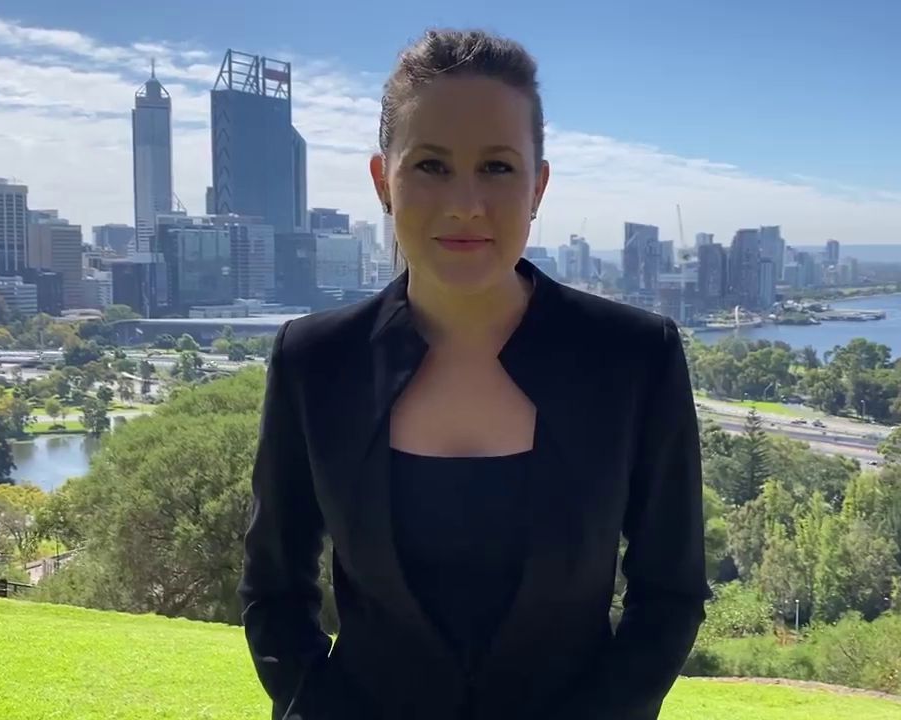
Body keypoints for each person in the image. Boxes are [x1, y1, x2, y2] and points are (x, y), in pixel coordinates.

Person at [238, 28, 710, 720]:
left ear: (537, 185)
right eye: (431, 165)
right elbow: (274, 591)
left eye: (496, 167)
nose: (465, 203)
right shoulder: (314, 361)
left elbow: (669, 593)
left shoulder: (635, 357)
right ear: (383, 182)